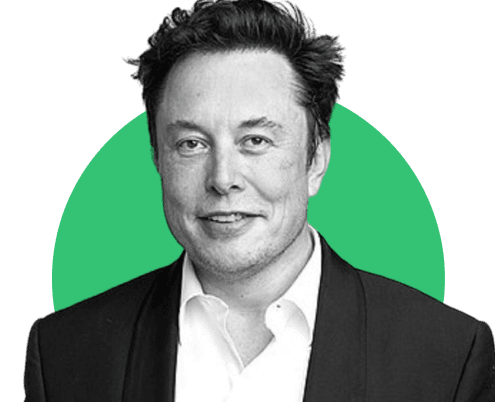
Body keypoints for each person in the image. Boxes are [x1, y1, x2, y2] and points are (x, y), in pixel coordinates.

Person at [24, 0, 495, 401]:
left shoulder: (449, 357)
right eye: (191, 144)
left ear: (316, 159)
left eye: (255, 141)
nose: (223, 179)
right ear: (158, 159)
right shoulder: (63, 353)